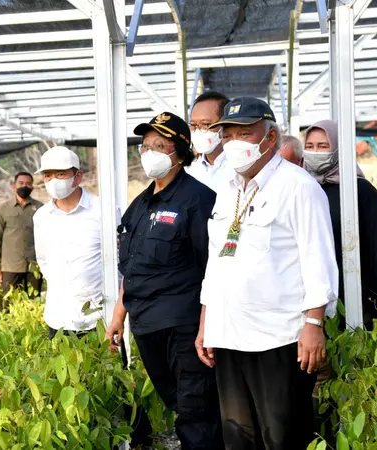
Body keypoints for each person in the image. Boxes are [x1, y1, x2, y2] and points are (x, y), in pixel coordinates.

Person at [197, 97, 338, 450]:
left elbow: (317, 258)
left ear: (270, 137)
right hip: (229, 333)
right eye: (227, 135)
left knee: (282, 437)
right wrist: (206, 322)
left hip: (278, 338)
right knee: (238, 438)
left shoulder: (299, 187)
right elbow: (216, 261)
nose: (233, 144)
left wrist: (314, 324)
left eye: (245, 133)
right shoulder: (227, 191)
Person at [105, 112, 223, 450]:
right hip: (146, 326)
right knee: (177, 404)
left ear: (181, 153)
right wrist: (118, 315)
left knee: (195, 412)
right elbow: (133, 266)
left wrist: (206, 325)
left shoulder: (198, 200)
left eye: (160, 145)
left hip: (184, 327)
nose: (149, 152)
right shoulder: (140, 205)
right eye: (145, 146)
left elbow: (212, 268)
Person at [303, 120, 377, 329]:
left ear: (340, 149)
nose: (315, 152)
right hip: (310, 304)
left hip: (356, 302)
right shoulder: (302, 189)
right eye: (310, 146)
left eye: (323, 146)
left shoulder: (360, 191)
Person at [33, 146, 103, 339]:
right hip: (59, 318)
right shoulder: (41, 217)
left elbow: (119, 261)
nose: (53, 180)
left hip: (98, 318)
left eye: (60, 174)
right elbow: (43, 259)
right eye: (47, 175)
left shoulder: (102, 210)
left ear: (78, 177)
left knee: (104, 369)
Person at [0, 172, 43, 296]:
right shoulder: (4, 209)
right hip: (10, 267)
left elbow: (48, 238)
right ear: (14, 186)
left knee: (34, 304)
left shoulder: (41, 209)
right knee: (9, 306)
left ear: (32, 187)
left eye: (28, 184)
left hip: (34, 267)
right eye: (21, 183)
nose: (24, 186)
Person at [186, 91, 231, 191]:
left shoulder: (242, 167)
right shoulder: (188, 172)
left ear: (225, 126)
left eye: (206, 124)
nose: (198, 131)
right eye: (193, 125)